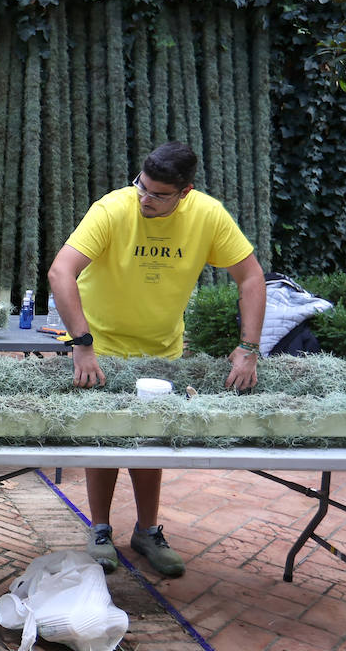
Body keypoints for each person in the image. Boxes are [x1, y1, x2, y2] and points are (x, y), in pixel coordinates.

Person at [47, 141, 265, 578]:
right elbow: (60, 271)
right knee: (104, 440)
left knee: (151, 442)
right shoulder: (112, 209)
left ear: (184, 192)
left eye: (158, 194)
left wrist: (249, 348)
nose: (144, 198)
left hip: (162, 349)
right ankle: (101, 529)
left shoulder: (207, 215)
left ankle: (147, 532)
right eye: (141, 187)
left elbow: (252, 277)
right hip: (102, 346)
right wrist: (83, 344)